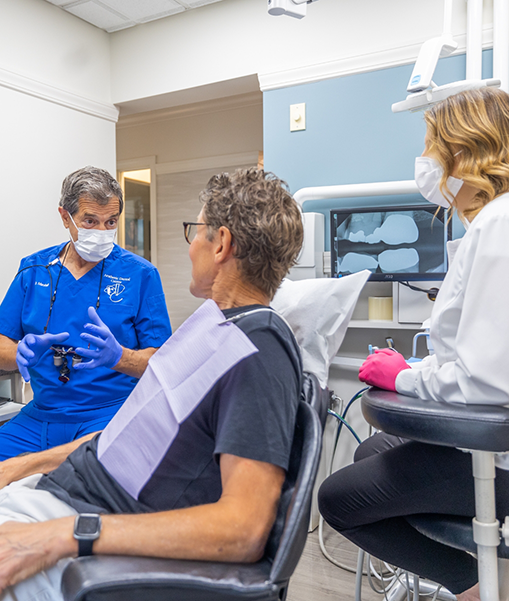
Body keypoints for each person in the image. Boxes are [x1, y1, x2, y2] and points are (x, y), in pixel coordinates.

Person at [0, 167, 304, 600]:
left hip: (78, 518)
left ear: (220, 244)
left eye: (193, 232)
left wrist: (65, 535)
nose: (188, 248)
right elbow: (130, 435)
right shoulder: (211, 327)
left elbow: (243, 529)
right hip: (66, 487)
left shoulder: (257, 349)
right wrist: (24, 466)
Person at [318, 86, 509, 601]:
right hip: (487, 443)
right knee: (372, 450)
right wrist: (416, 370)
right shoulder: (489, 227)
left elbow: (487, 382)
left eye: (431, 145)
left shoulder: (499, 227)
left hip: (498, 455)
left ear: (464, 153)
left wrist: (401, 376)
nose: (425, 161)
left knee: (337, 499)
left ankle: (468, 586)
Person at [0, 166, 172, 460]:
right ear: (65, 217)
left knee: (78, 474)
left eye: (111, 222)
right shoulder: (34, 269)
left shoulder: (140, 275)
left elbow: (163, 363)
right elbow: (3, 343)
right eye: (90, 221)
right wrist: (19, 354)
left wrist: (119, 357)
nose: (102, 232)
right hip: (41, 415)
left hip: (108, 414)